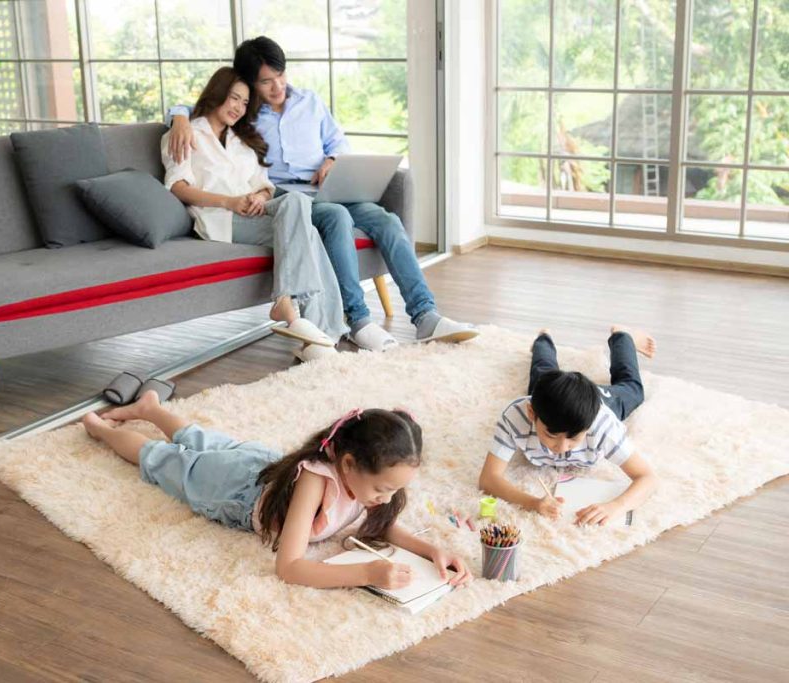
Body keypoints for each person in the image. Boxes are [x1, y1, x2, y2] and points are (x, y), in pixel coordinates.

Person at [166, 36, 479, 353]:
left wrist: (332, 161)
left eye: (281, 76)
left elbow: (338, 143)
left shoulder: (310, 102)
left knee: (386, 220)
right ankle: (358, 321)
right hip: (287, 195)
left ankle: (425, 315)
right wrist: (178, 115)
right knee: (337, 217)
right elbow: (204, 111)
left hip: (327, 187)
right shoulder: (244, 114)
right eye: (266, 82)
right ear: (249, 83)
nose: (278, 87)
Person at [82, 393, 473, 590]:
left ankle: (151, 409)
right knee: (166, 460)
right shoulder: (315, 482)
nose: (386, 500)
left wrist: (431, 550)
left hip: (265, 464)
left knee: (204, 439)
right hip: (236, 490)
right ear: (349, 464)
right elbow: (289, 567)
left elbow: (380, 525)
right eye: (383, 489)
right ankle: (102, 430)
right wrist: (367, 573)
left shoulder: (368, 483)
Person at [161, 66, 346, 362]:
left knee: (297, 204)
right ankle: (321, 328)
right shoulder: (186, 134)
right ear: (217, 94)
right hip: (219, 220)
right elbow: (177, 186)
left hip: (253, 212)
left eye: (245, 102)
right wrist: (229, 202)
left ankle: (296, 313)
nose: (239, 107)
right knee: (308, 233)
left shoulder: (240, 140)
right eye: (234, 98)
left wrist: (259, 197)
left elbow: (264, 185)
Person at [478, 326, 659, 525]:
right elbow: (488, 479)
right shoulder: (517, 415)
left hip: (599, 402)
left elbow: (647, 478)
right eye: (552, 435)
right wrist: (534, 503)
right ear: (532, 413)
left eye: (573, 438)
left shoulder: (603, 426)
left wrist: (616, 506)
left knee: (633, 390)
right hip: (554, 396)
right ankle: (543, 338)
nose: (561, 448)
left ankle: (623, 337)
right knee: (541, 372)